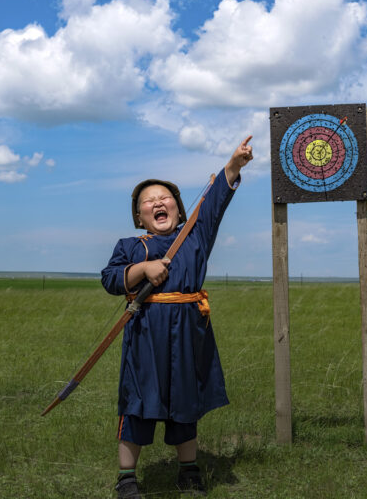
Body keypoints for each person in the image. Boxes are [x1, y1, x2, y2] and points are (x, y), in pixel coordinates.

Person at [101, 136, 253, 498]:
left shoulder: (197, 236)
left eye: (164, 198)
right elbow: (110, 279)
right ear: (139, 216)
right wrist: (142, 269)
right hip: (144, 334)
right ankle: (127, 478)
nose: (157, 202)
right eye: (148, 201)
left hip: (189, 332)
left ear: (180, 209)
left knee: (185, 401)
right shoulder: (129, 246)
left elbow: (215, 202)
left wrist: (233, 165)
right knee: (137, 401)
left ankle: (188, 471)